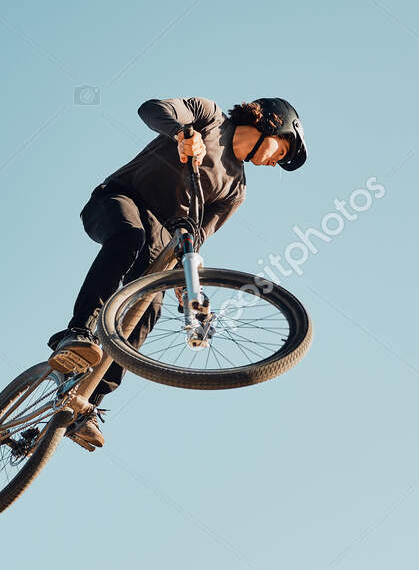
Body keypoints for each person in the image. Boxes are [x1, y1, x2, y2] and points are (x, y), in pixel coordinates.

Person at [46, 96, 308, 449]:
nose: (279, 161)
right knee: (128, 237)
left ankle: (86, 403)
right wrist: (183, 132)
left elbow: (196, 235)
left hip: (161, 240)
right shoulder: (209, 118)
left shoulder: (236, 190)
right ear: (274, 123)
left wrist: (188, 281)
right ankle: (76, 332)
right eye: (285, 149)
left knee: (148, 305)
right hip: (118, 200)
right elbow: (150, 109)